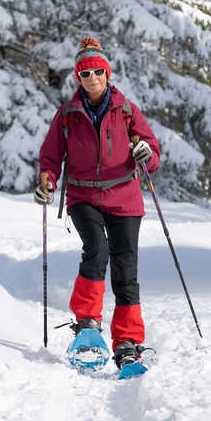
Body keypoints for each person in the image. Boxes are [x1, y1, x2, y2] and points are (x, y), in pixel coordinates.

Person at [34, 36, 161, 370]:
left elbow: (151, 149)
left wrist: (146, 153)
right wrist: (47, 181)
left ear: (107, 73)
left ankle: (127, 342)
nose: (91, 78)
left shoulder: (126, 110)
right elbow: (50, 157)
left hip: (124, 196)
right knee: (96, 250)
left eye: (96, 71)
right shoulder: (67, 115)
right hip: (83, 196)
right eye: (84, 74)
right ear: (78, 78)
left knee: (125, 268)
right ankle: (88, 324)